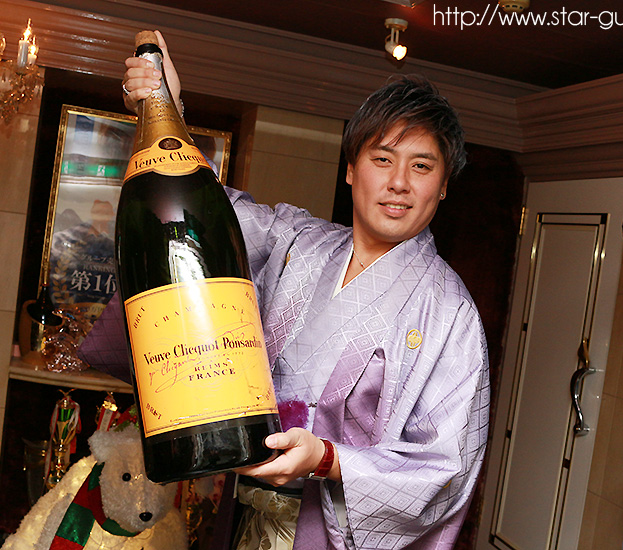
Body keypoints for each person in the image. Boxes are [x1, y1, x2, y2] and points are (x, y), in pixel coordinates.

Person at [121, 31, 490, 550]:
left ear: (444, 184)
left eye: (422, 166)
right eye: (382, 159)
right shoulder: (298, 242)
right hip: (245, 516)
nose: (399, 183)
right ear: (350, 169)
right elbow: (201, 214)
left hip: (333, 533)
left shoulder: (450, 312)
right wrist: (168, 109)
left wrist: (327, 459)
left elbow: (446, 470)